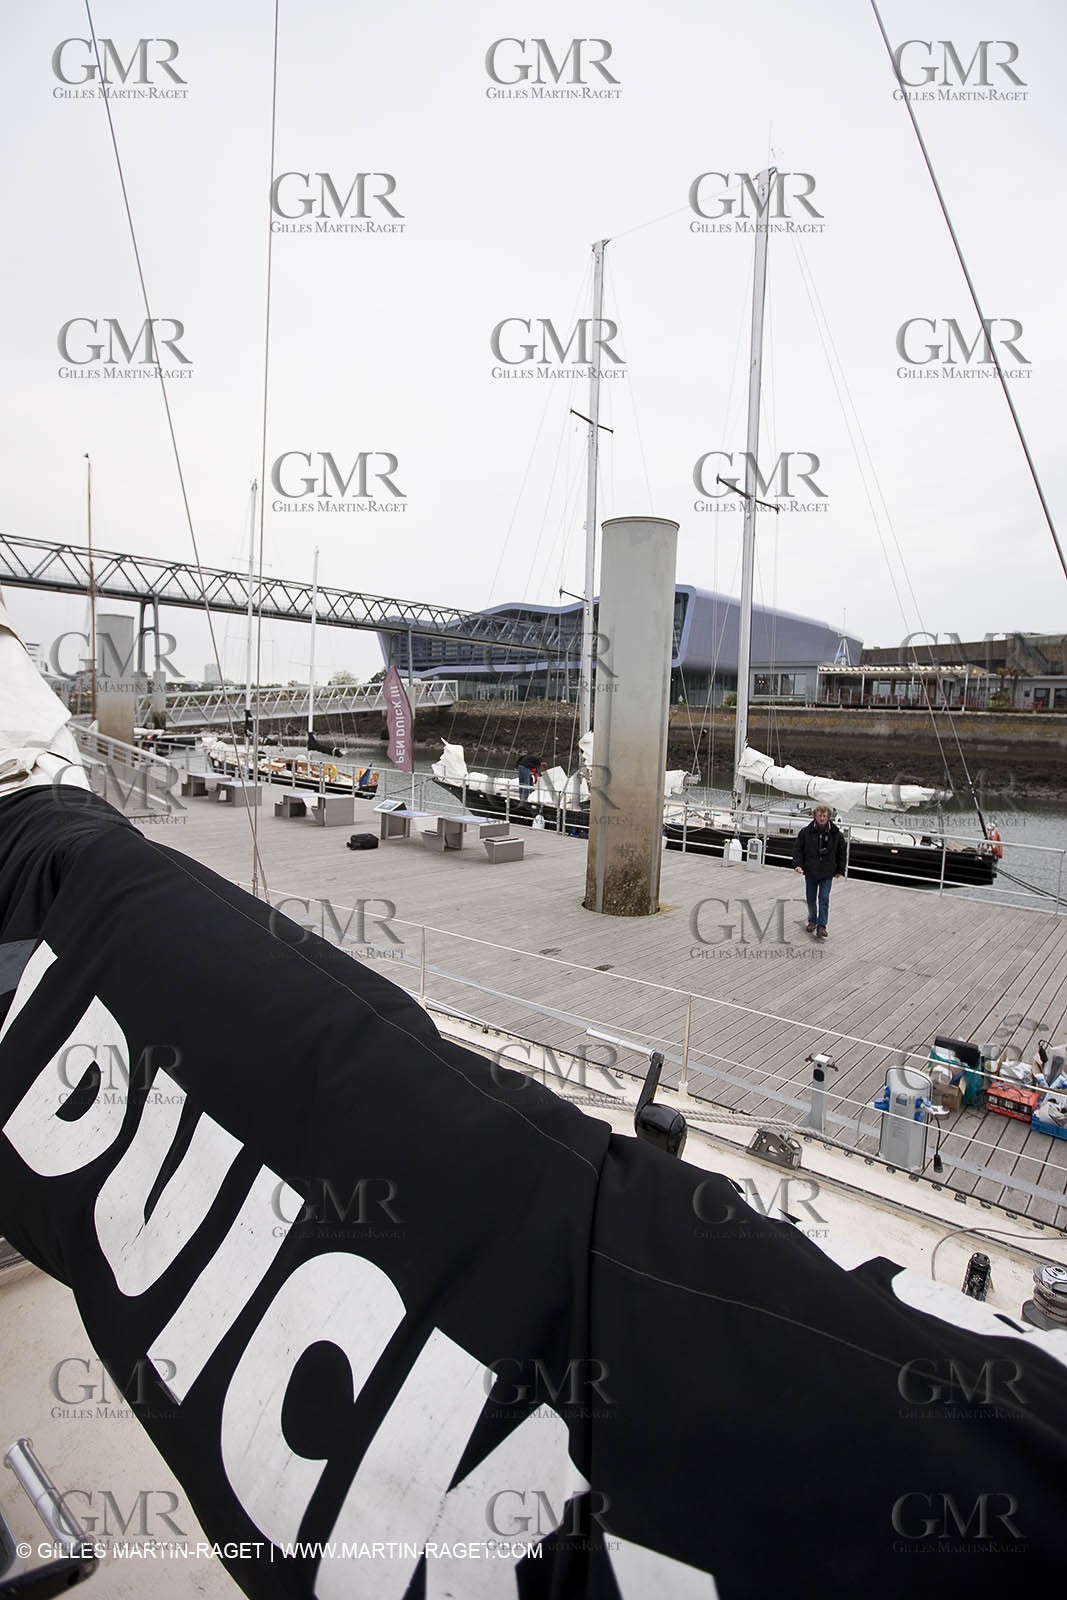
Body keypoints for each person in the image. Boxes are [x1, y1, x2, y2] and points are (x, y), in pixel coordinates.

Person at [792, 803, 846, 939]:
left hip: (827, 871)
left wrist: (840, 869)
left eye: (824, 816)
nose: (822, 818)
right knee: (810, 898)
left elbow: (841, 853)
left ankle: (822, 926)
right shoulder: (805, 832)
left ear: (828, 817)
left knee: (824, 898)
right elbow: (798, 849)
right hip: (810, 870)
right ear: (815, 816)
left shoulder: (836, 835)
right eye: (819, 815)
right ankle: (812, 921)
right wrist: (797, 864)